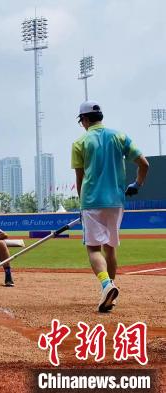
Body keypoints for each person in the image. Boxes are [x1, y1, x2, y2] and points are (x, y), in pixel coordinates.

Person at [72, 101, 149, 312]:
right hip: (116, 201)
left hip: (91, 201)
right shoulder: (120, 136)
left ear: (85, 120)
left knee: (93, 249)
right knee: (110, 248)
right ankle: (110, 294)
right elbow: (144, 164)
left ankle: (107, 285)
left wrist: (81, 205)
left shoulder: (80, 142)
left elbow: (80, 179)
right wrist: (137, 184)